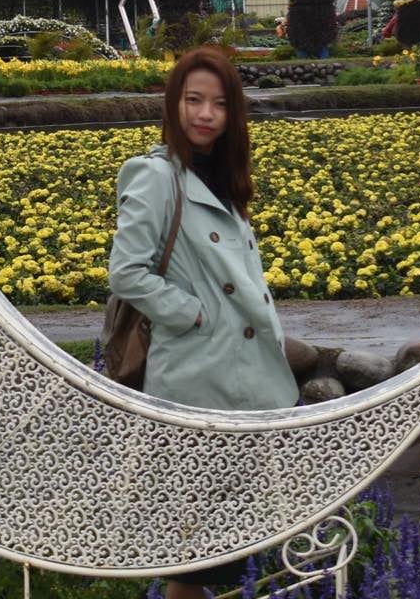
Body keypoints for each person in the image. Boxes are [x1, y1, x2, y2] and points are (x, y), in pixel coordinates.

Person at [108, 44, 298, 598]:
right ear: (174, 103)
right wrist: (192, 313)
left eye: (217, 104)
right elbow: (127, 272)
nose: (205, 114)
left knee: (229, 548)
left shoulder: (224, 175)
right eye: (193, 100)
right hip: (196, 379)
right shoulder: (155, 175)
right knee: (194, 556)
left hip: (242, 377)